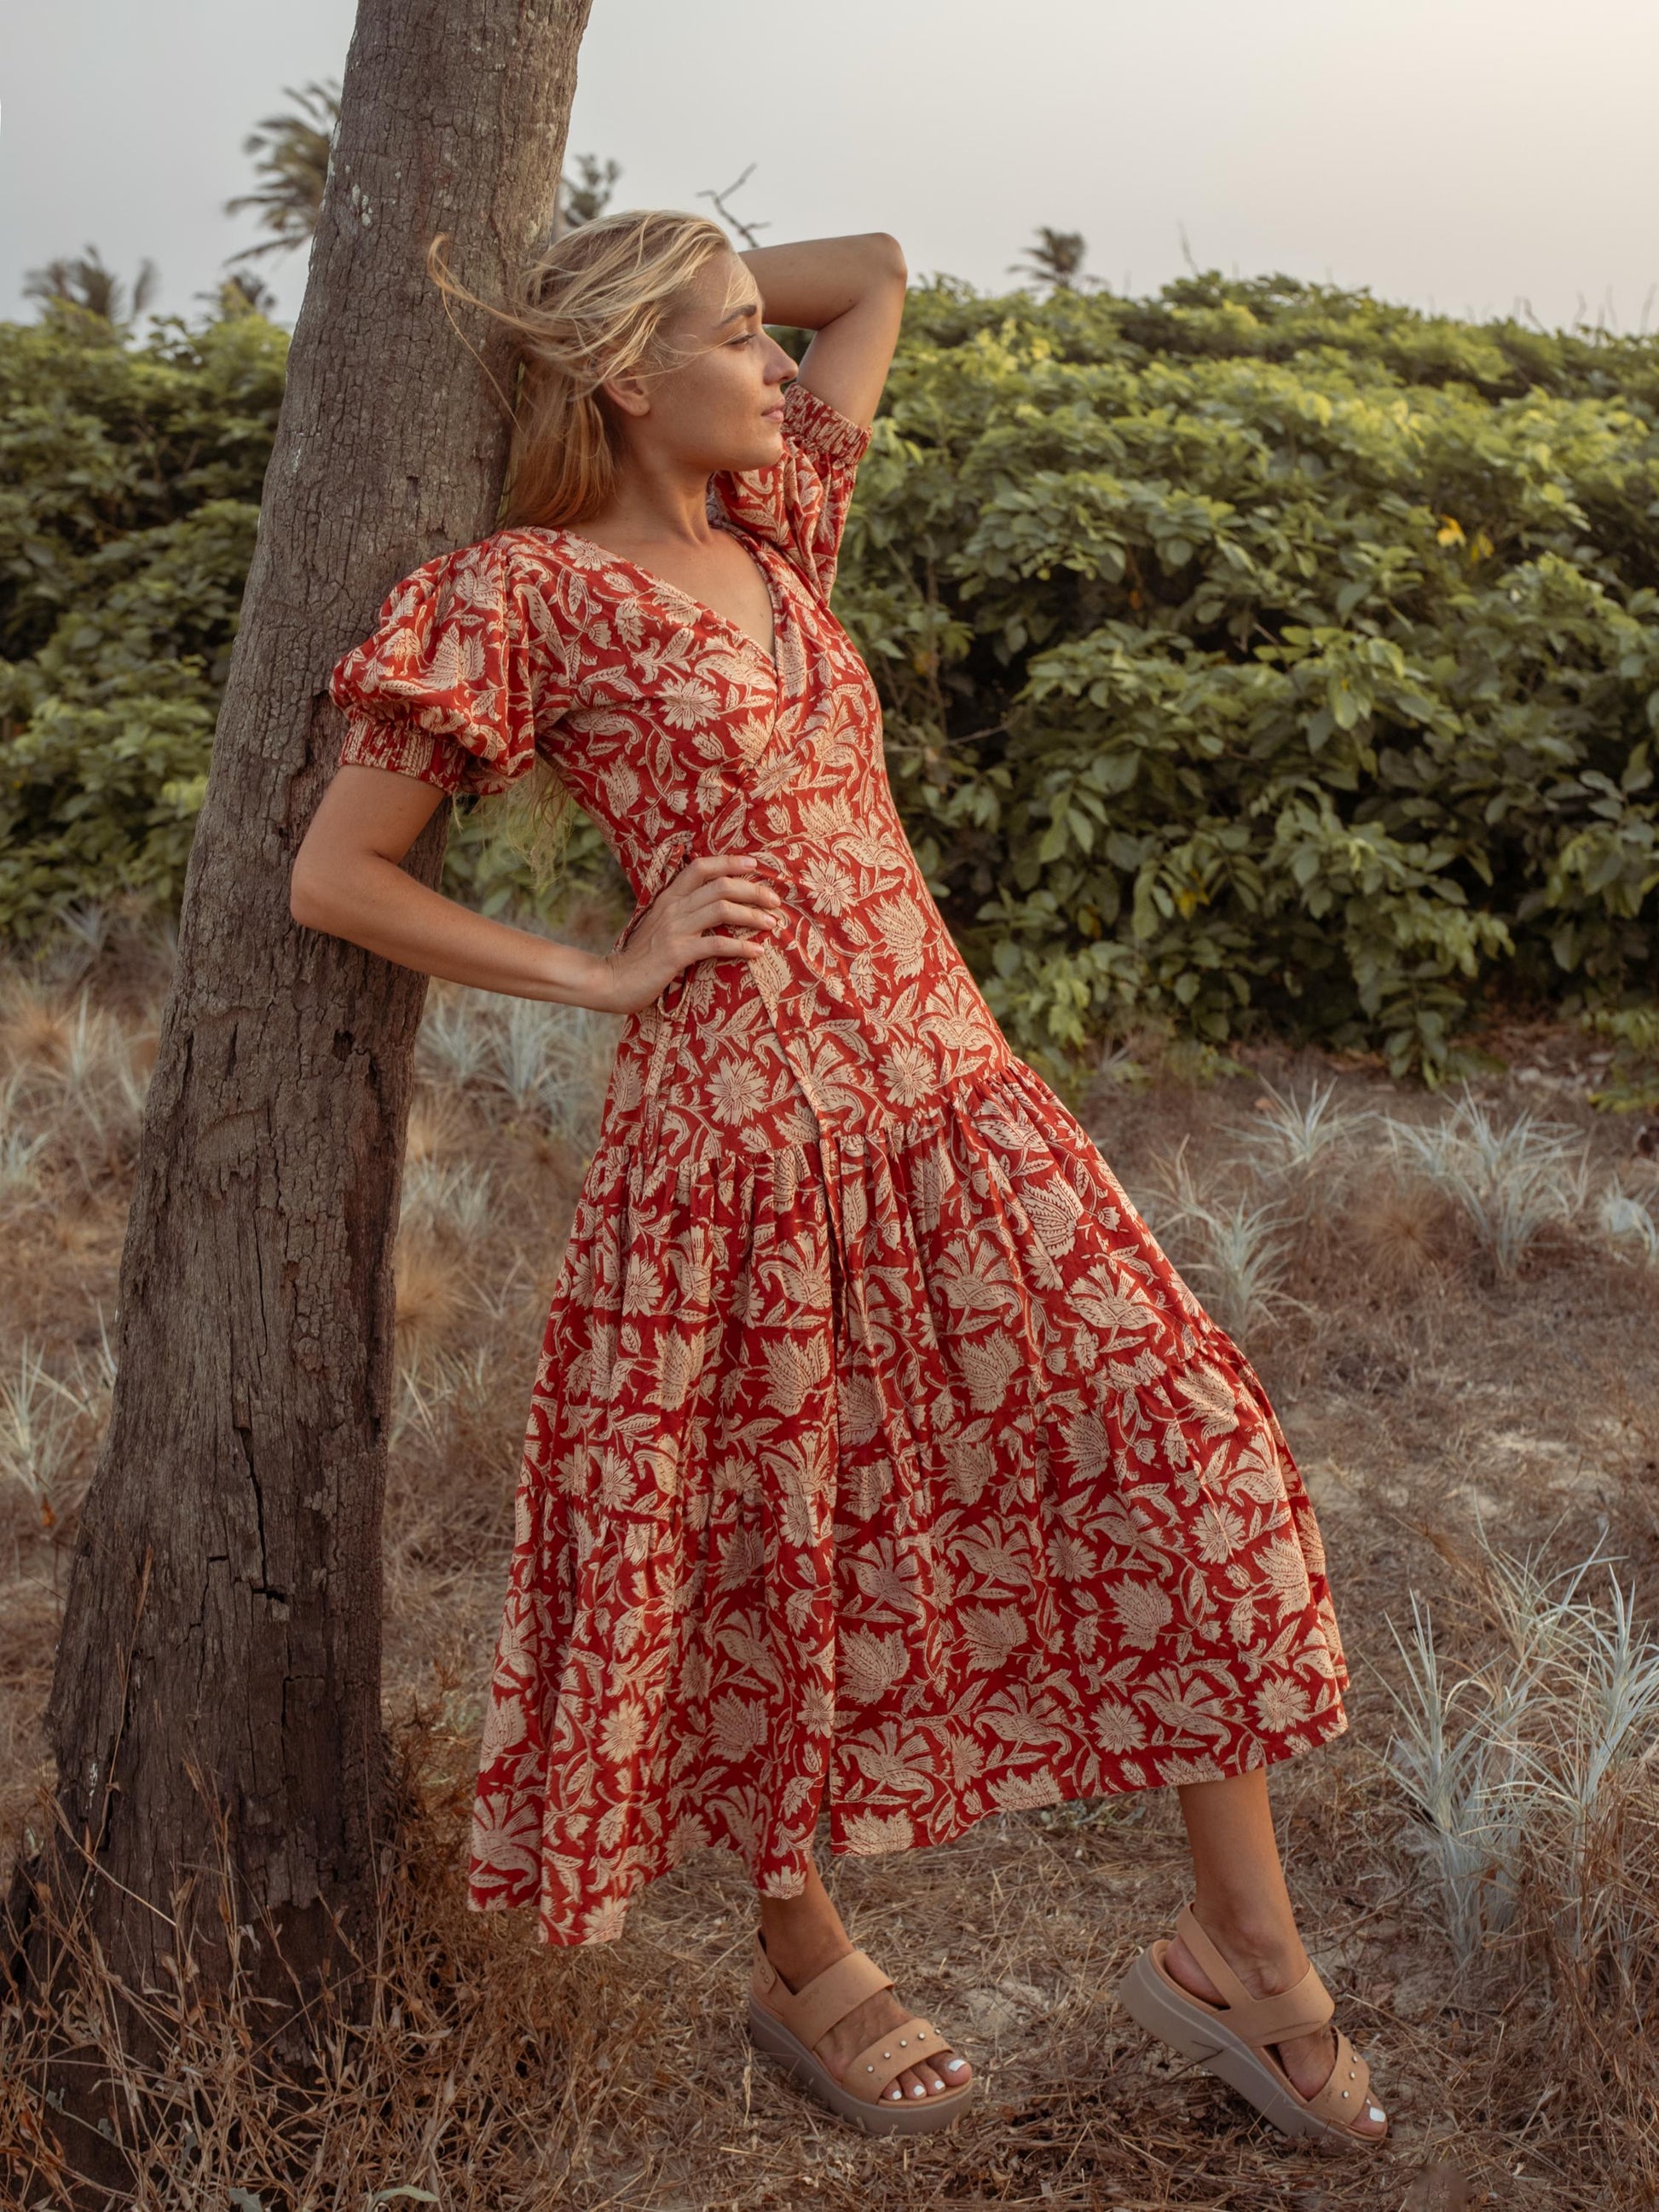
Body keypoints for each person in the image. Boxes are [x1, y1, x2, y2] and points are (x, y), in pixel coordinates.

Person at [291, 211, 1386, 2148]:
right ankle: (802, 1950)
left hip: (955, 1094)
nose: (779, 369)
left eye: (759, 338)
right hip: (732, 1137)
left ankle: (1238, 1940)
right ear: (634, 379)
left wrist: (648, 268)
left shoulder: (776, 529)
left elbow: (869, 268)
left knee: (1180, 1441)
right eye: (730, 340)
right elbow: (338, 873)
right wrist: (602, 968)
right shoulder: (522, 593)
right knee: (764, 1550)